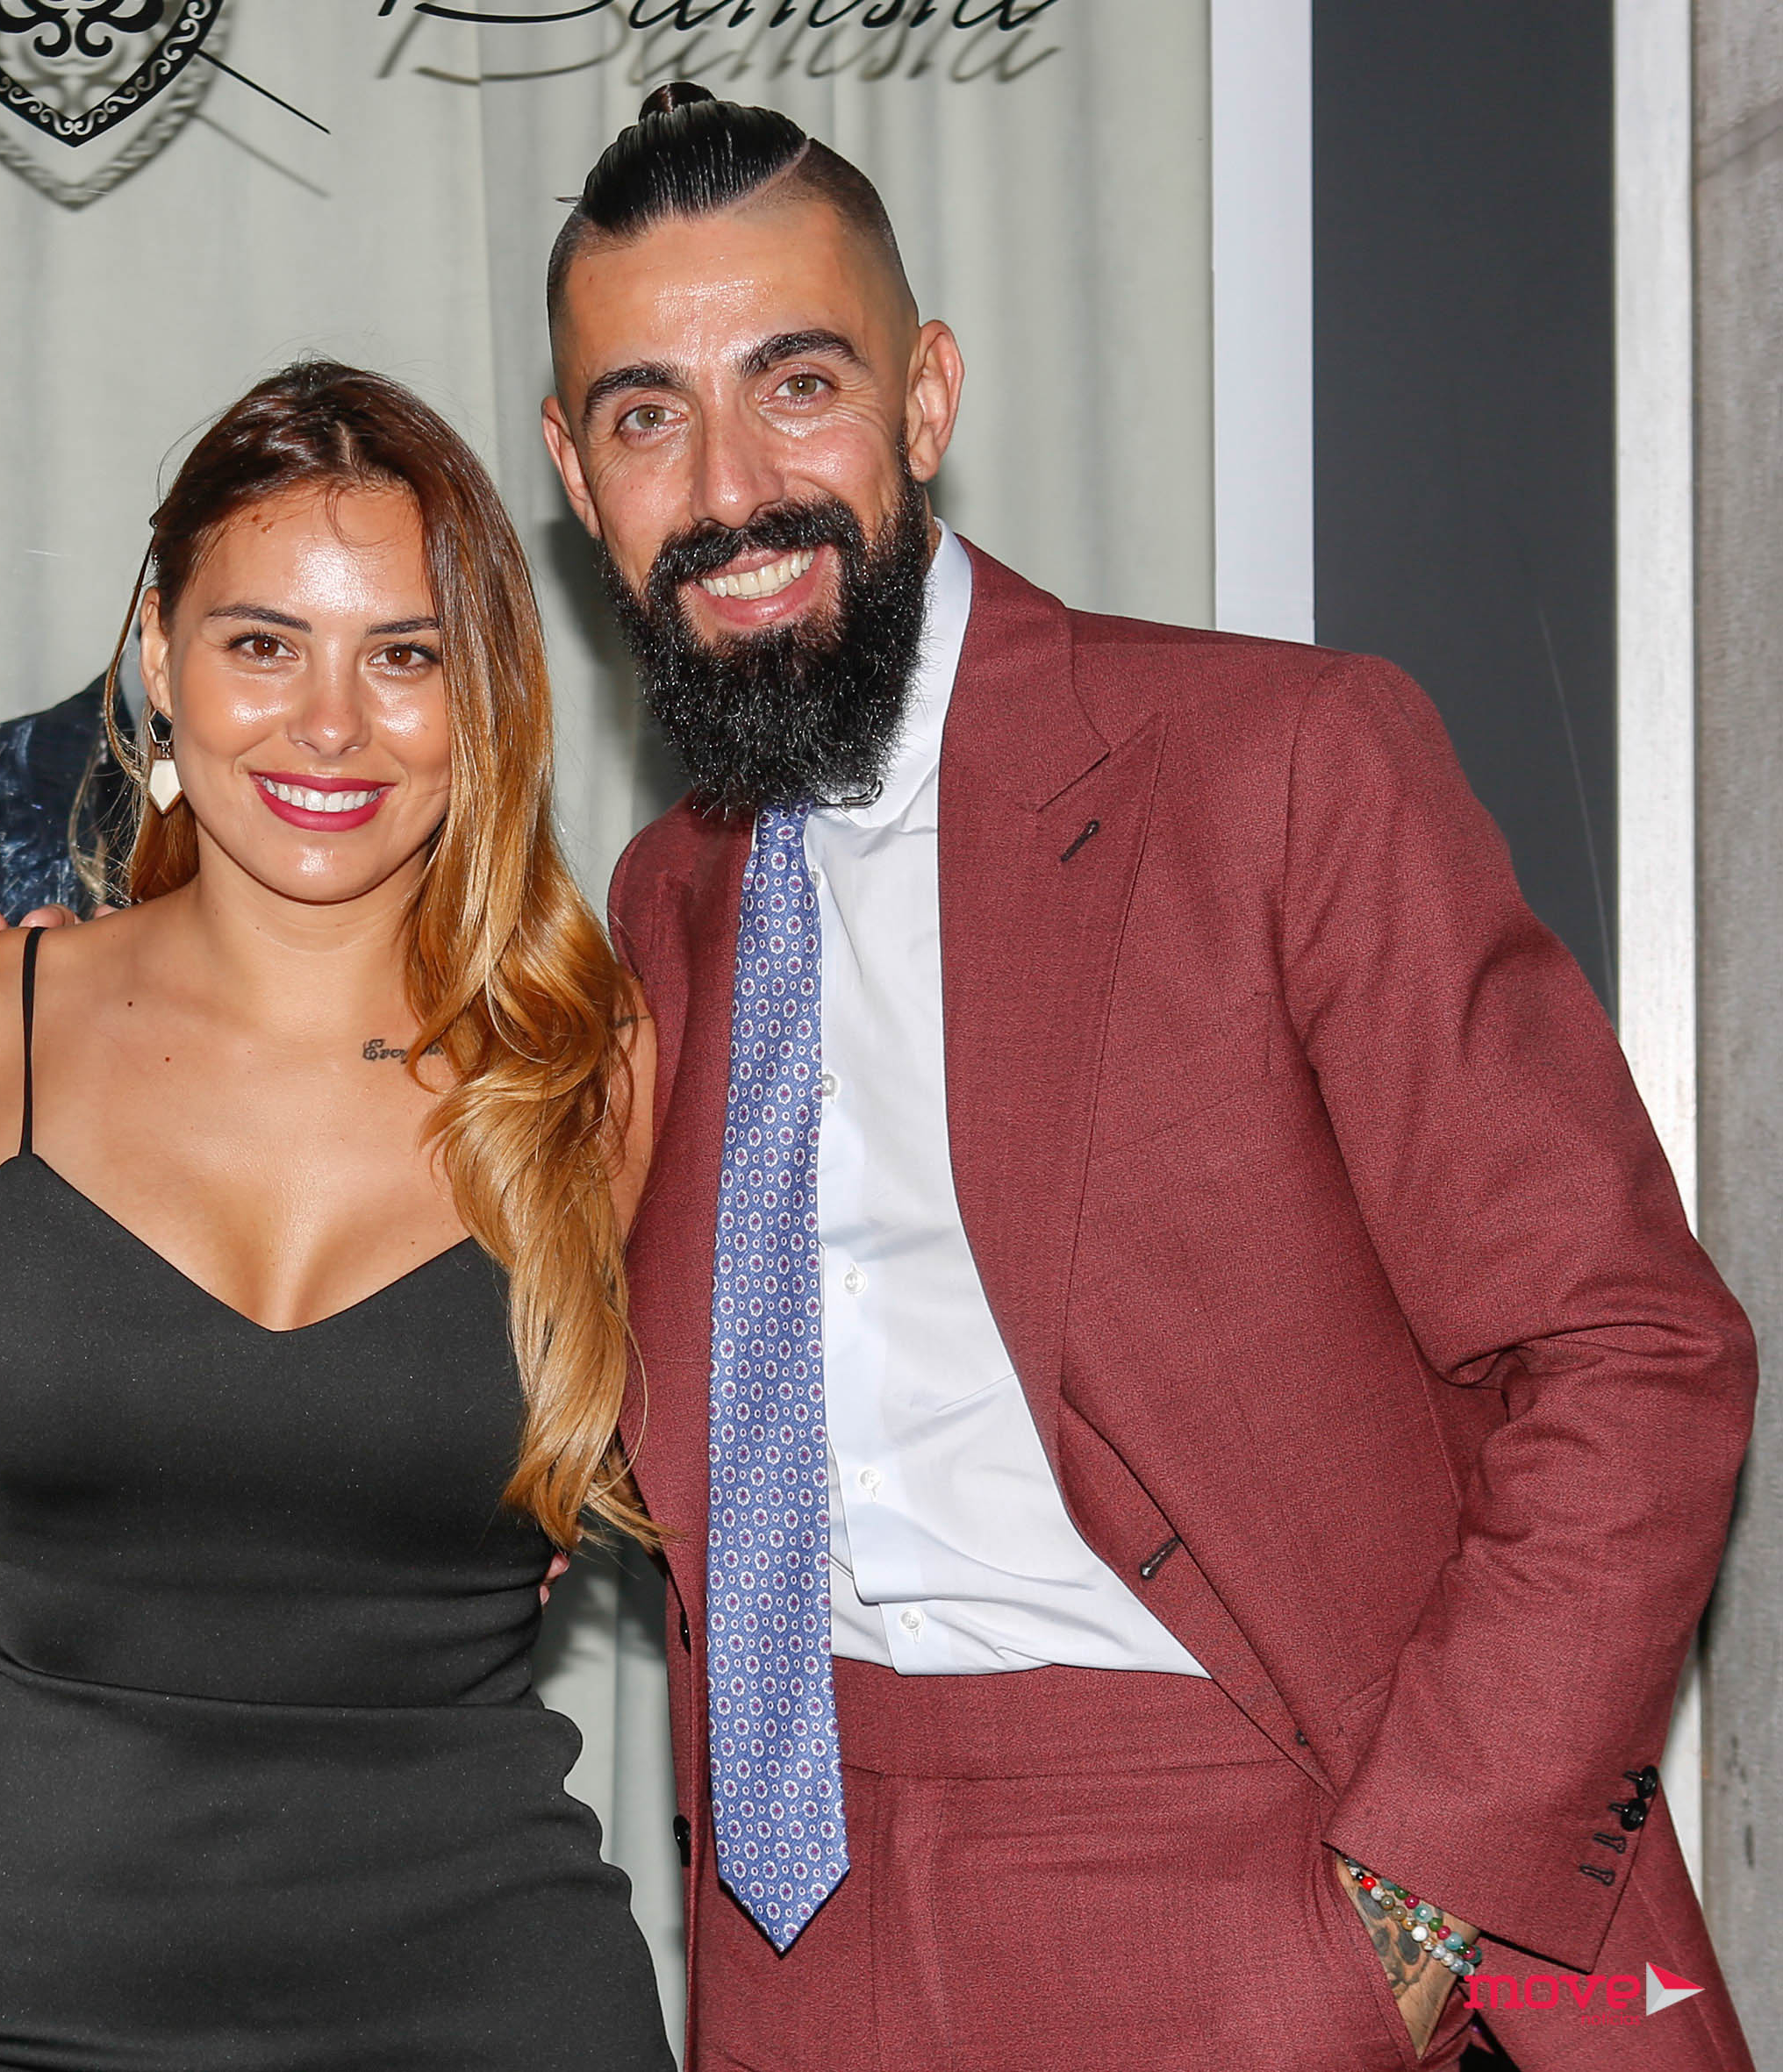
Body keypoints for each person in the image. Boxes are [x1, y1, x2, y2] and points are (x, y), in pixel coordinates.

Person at [537, 84, 1758, 2071]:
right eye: (645, 415)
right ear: (575, 474)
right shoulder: (665, 901)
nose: (731, 485)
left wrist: (1405, 1914)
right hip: (792, 1942)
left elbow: (1634, 1353)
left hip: (1259, 1885)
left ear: (926, 400)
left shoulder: (1276, 764)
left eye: (798, 384)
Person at [0, 361, 677, 2072]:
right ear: (157, 652)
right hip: (29, 2009)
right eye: (263, 642)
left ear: (481, 693)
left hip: (495, 2008)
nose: (328, 724)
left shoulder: (587, 1066)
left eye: (402, 655)